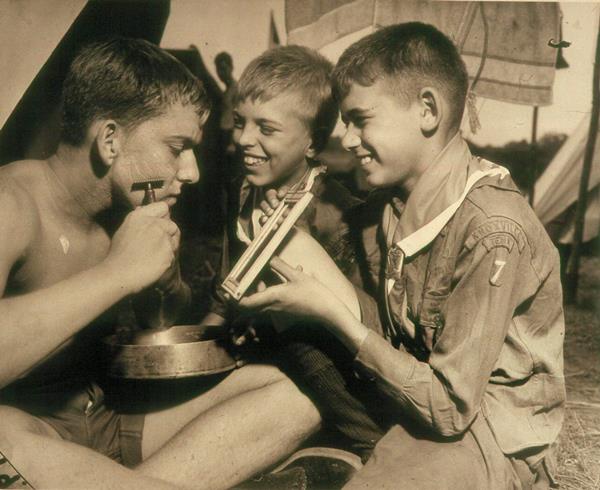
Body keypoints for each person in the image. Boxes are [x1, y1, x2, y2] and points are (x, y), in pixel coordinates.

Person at [240, 23, 565, 489]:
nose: (347, 139)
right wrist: (293, 239)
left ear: (427, 110)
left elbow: (452, 410)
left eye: (360, 119)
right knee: (295, 335)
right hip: (417, 390)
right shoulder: (390, 203)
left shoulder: (495, 230)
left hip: (484, 429)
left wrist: (336, 316)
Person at [0, 37, 321, 490]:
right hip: (36, 435)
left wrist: (164, 284)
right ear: (110, 139)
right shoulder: (11, 203)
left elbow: (164, 322)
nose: (191, 172)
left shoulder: (126, 208)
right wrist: (117, 274)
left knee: (298, 395)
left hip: (111, 421)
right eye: (177, 148)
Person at [200, 45, 389, 472]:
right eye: (239, 122)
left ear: (312, 142)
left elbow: (361, 327)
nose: (244, 139)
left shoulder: (338, 214)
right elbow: (230, 287)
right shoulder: (241, 192)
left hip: (324, 379)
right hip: (258, 366)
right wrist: (199, 345)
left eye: (266, 128)